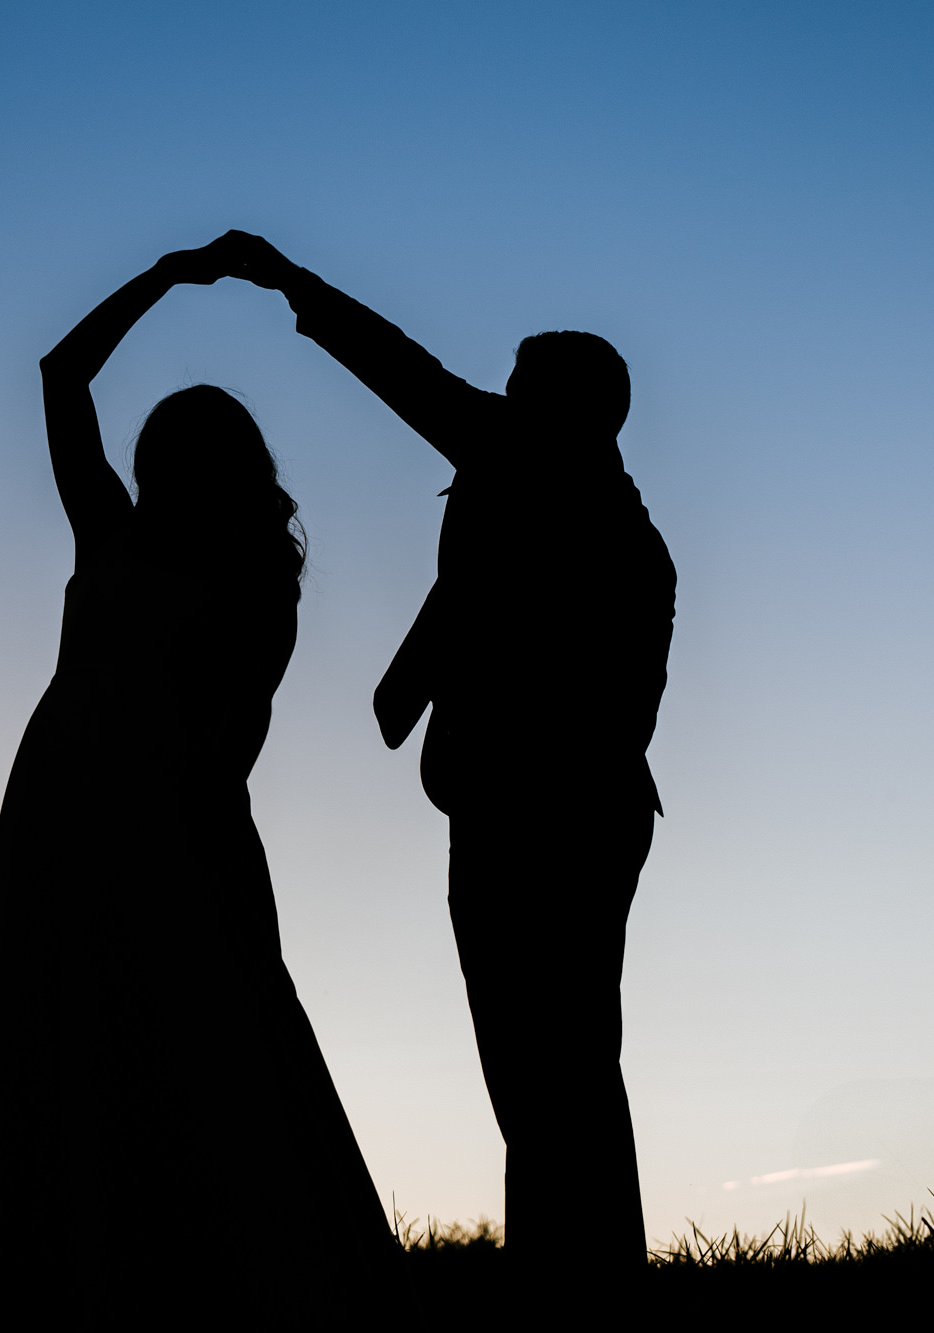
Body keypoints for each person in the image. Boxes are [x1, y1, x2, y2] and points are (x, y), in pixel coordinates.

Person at [0, 237, 409, 1327]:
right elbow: (59, 379)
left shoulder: (216, 571)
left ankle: (188, 1278)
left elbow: (230, 727)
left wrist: (167, 279)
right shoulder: (141, 544)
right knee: (57, 1027)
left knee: (183, 1039)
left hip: (144, 821)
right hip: (87, 820)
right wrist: (165, 275)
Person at [223, 232, 677, 1310]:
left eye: (518, 393)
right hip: (537, 807)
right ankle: (568, 1279)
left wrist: (291, 282)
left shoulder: (572, 504)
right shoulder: (571, 505)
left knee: (549, 1065)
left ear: (564, 410)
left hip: (548, 815)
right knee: (546, 1065)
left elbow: (406, 375)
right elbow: (421, 405)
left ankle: (579, 1284)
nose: (495, 405)